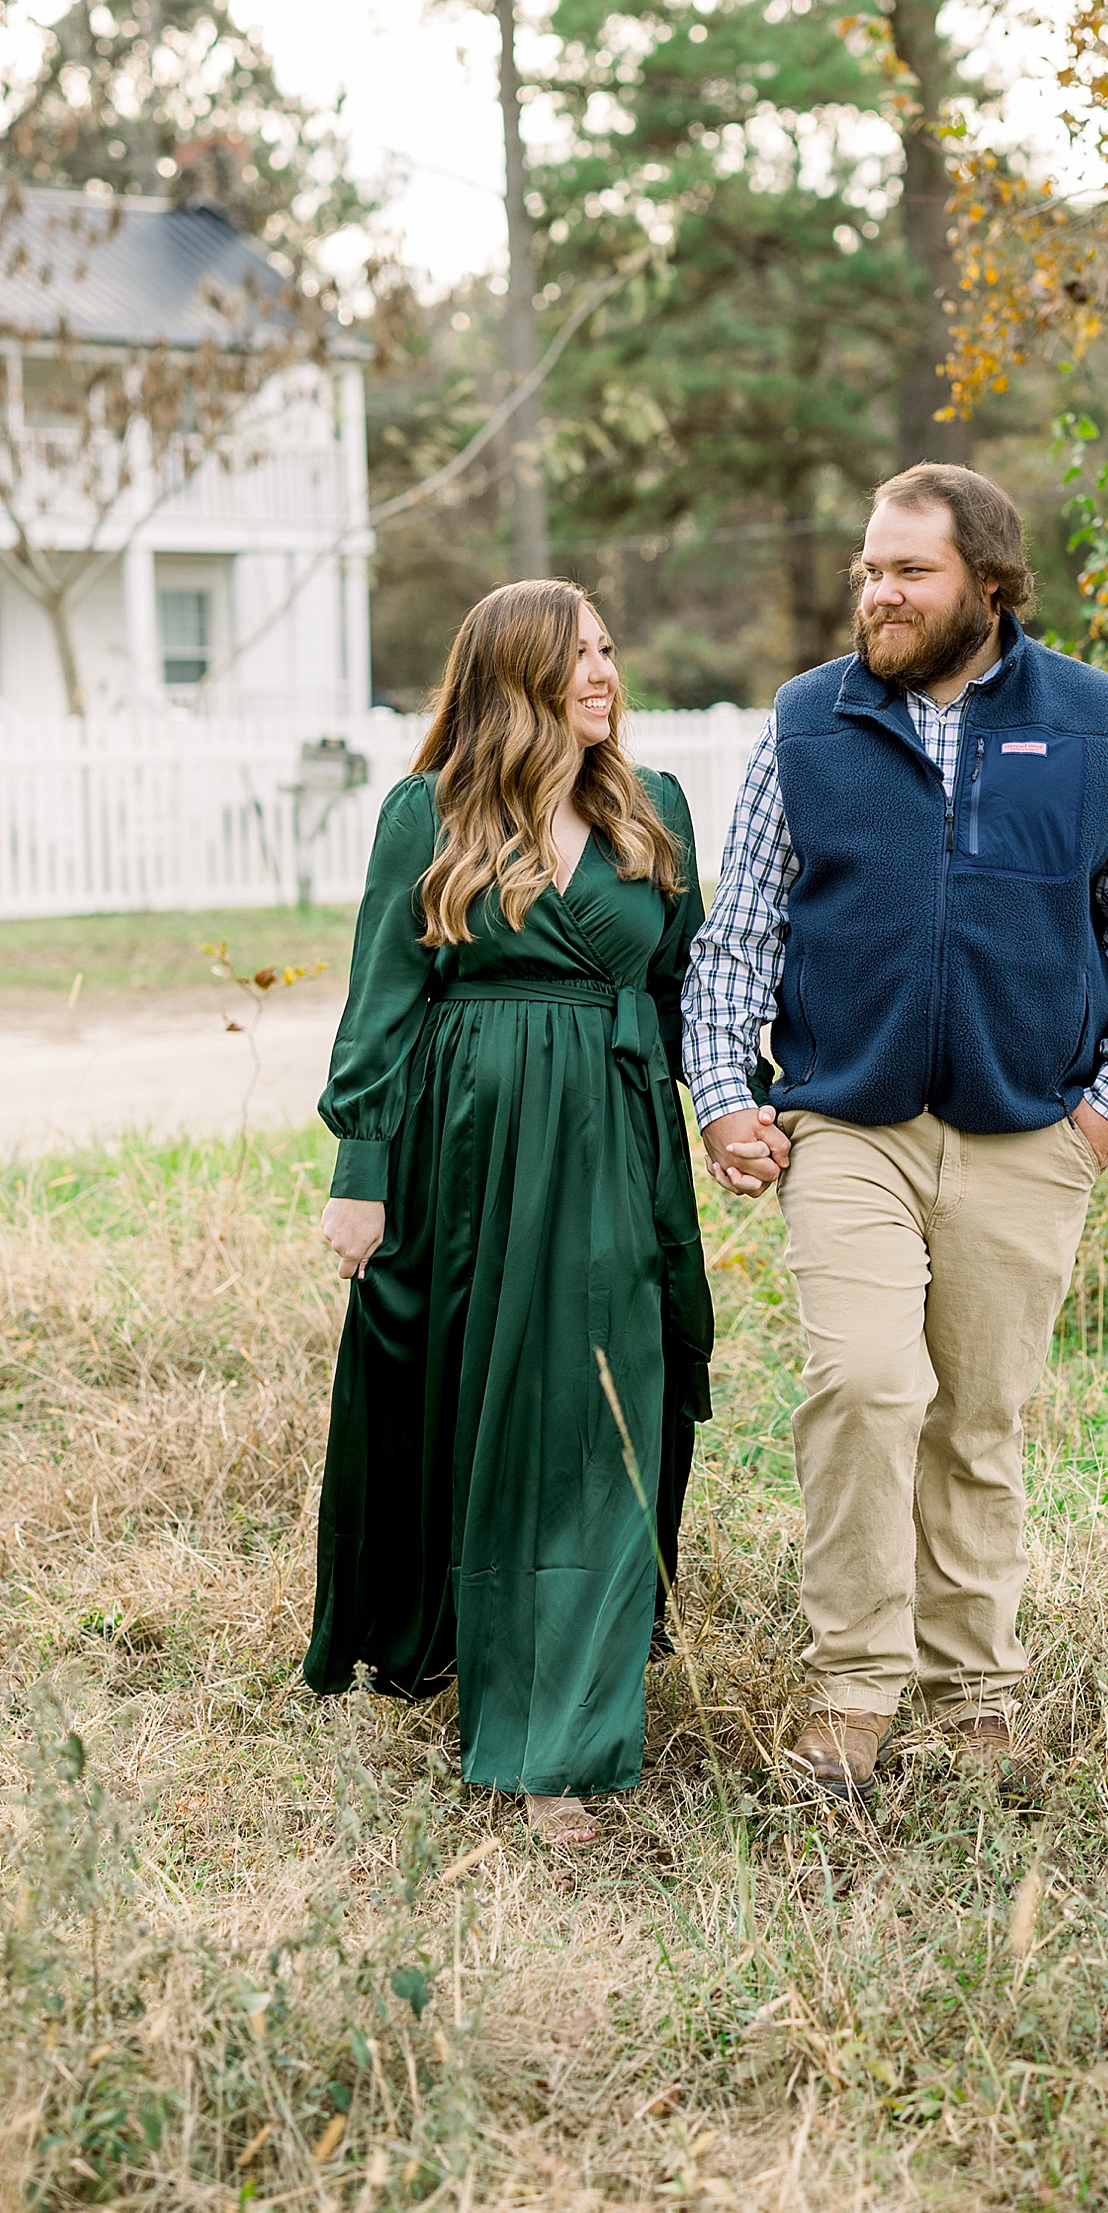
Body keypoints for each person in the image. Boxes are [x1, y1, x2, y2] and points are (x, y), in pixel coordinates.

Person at [682, 463, 1108, 1800]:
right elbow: (739, 932)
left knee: (978, 1421)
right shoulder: (812, 722)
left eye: (907, 570)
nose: (879, 592)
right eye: (870, 568)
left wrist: (1099, 1120)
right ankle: (855, 1692)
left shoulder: (1091, 723)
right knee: (864, 1385)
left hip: (1029, 1131)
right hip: (847, 1122)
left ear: (985, 581)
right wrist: (728, 1092)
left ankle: (980, 1691)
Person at [306, 582, 714, 1847]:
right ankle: (459, 1642)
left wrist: (735, 1113)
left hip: (618, 1138)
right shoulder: (424, 816)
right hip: (472, 1152)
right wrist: (360, 1169)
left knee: (598, 1411)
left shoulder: (655, 810)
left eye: (608, 651)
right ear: (511, 681)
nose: (605, 676)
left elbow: (683, 984)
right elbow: (382, 999)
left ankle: (554, 1744)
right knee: (471, 1407)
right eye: (576, 658)